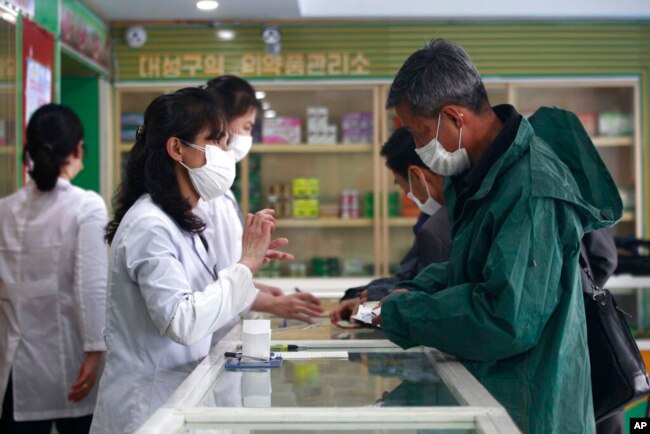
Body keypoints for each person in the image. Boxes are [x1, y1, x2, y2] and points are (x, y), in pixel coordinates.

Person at [377, 39, 621, 433]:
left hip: (532, 411)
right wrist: (413, 289)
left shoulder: (530, 187)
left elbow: (506, 318)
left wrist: (406, 313)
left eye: (421, 133)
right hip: (496, 398)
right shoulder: (481, 178)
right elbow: (469, 269)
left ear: (454, 118)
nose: (419, 148)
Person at [90, 87, 323, 434]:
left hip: (180, 397)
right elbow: (183, 321)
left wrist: (247, 269)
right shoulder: (149, 225)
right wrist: (244, 265)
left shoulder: (185, 218)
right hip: (146, 409)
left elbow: (211, 298)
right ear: (176, 148)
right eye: (216, 142)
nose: (226, 155)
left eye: (227, 142)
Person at [0, 104, 108, 433]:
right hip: (71, 362)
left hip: (14, 368)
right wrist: (95, 350)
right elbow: (91, 285)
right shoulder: (86, 206)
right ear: (78, 149)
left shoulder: (4, 209)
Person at [330, 127, 451, 323]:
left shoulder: (453, 223)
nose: (408, 196)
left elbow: (435, 292)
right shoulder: (429, 219)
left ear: (417, 176)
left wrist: (376, 297)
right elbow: (411, 277)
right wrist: (363, 296)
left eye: (402, 185)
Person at [200, 75, 284, 298]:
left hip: (218, 319)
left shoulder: (220, 187)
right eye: (246, 127)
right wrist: (265, 301)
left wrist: (252, 259)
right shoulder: (201, 193)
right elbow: (204, 280)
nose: (247, 137)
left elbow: (225, 269)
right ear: (221, 122)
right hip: (208, 322)